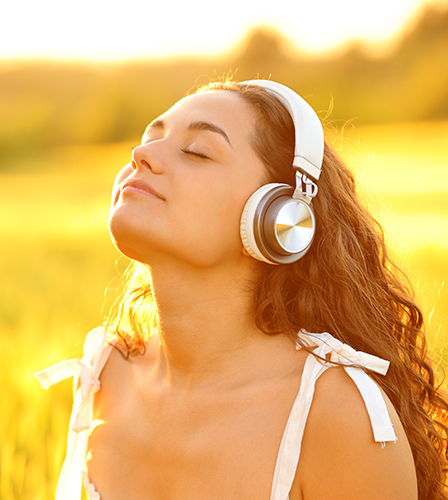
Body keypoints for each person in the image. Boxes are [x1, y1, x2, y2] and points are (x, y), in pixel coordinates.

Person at [36, 79, 448, 500]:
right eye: (149, 139)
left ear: (280, 219)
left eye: (196, 151)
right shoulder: (106, 373)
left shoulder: (337, 415)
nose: (141, 155)